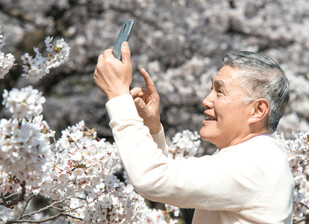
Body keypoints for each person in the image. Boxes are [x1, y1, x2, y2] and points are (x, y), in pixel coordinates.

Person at [94, 41, 295, 224]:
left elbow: (151, 179)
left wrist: (118, 94)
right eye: (211, 89)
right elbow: (163, 183)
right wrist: (151, 128)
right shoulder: (260, 156)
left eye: (220, 91)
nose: (206, 100)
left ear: (258, 110)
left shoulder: (255, 162)